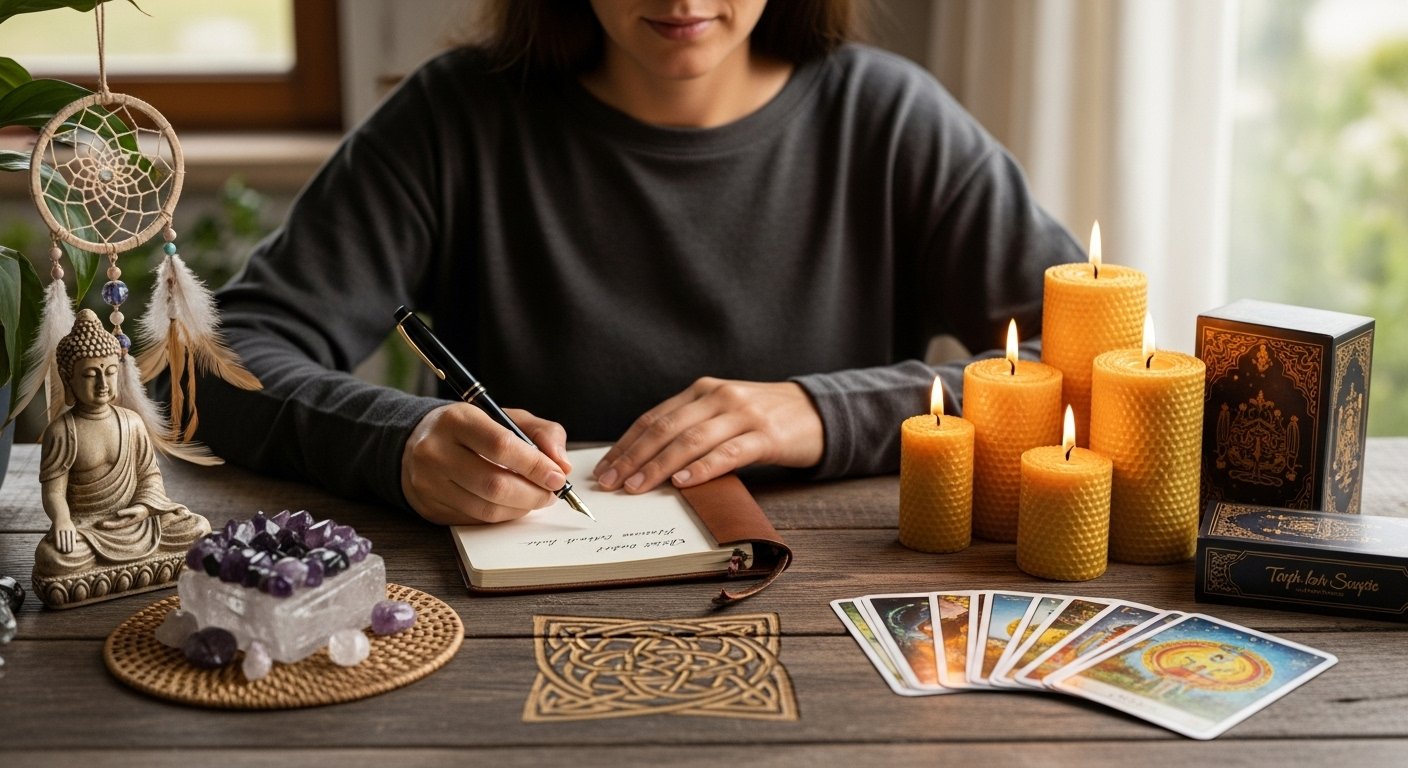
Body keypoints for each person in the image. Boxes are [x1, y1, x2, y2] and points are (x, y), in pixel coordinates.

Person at [195, 0, 1085, 526]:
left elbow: (1082, 368)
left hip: (833, 607)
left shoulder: (891, 119)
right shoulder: (455, 118)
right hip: (499, 629)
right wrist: (401, 441)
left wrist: (824, 411)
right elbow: (217, 358)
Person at [35, 310, 211, 605]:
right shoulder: (63, 431)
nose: (102, 383)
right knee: (54, 558)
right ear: (69, 379)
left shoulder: (132, 422)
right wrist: (63, 521)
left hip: (138, 524)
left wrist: (143, 509)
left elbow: (149, 477)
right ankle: (139, 570)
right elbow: (53, 491)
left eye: (110, 372)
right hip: (89, 530)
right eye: (90, 375)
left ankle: (118, 574)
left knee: (197, 529)